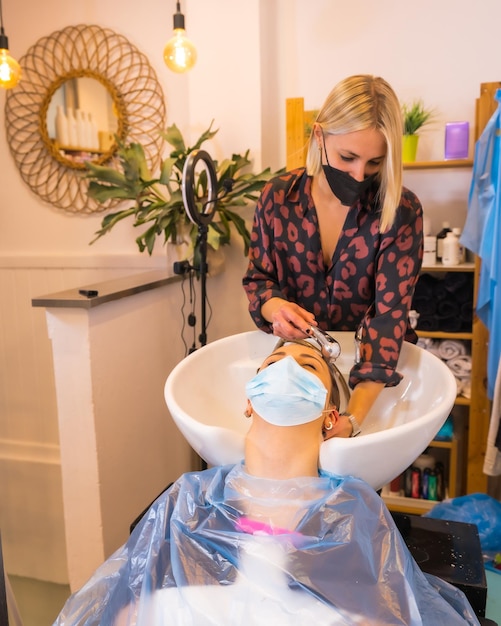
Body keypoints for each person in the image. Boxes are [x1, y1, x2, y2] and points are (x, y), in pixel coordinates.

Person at [54, 341, 478, 625]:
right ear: (248, 401)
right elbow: (121, 609)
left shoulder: (351, 505)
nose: (288, 369)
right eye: (273, 365)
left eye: (308, 366)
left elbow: (386, 612)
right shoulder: (190, 498)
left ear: (331, 416)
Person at [243, 74, 424, 438]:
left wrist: (353, 420)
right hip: (296, 373)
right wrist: (275, 308)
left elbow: (388, 320)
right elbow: (258, 280)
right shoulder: (278, 199)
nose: (360, 175)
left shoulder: (399, 210)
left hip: (368, 383)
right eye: (348, 157)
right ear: (319, 136)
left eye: (375, 163)